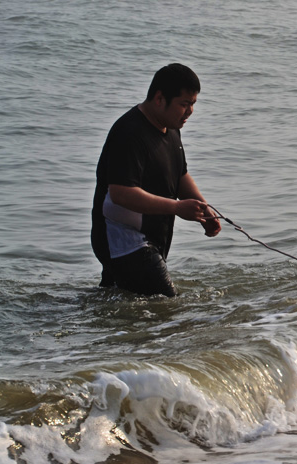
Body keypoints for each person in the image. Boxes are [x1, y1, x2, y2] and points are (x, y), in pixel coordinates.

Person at [91, 63, 220, 297]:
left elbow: (180, 175)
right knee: (168, 307)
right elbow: (121, 193)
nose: (190, 111)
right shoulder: (128, 133)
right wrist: (177, 207)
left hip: (148, 240)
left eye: (193, 104)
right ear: (159, 98)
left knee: (116, 304)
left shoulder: (171, 129)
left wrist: (204, 210)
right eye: (184, 104)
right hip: (124, 241)